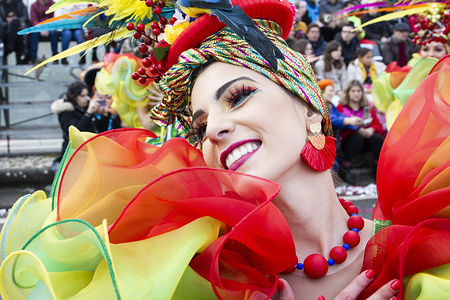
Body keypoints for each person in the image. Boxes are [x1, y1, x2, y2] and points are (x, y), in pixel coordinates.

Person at [1, 0, 450, 299]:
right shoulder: (194, 276)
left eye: (237, 97)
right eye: (198, 126)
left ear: (311, 109)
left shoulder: (430, 248)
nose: (213, 129)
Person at [50, 81, 120, 171]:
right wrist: (88, 113)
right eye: (82, 96)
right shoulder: (66, 112)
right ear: (73, 96)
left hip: (90, 154)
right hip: (74, 156)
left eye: (87, 95)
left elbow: (100, 130)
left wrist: (104, 114)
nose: (86, 98)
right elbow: (77, 132)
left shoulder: (85, 108)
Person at [336, 80, 385, 183]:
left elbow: (378, 125)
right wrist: (359, 130)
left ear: (362, 93)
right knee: (356, 138)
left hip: (366, 141)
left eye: (358, 91)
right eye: (353, 91)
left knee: (376, 138)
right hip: (349, 143)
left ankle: (378, 168)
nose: (356, 93)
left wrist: (371, 129)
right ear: (348, 93)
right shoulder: (340, 108)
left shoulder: (367, 108)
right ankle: (346, 169)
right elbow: (339, 126)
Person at [0, 0, 28, 64]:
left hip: (18, 29)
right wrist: (7, 22)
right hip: (4, 30)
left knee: (15, 25)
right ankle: (18, 57)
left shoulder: (20, 4)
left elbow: (25, 18)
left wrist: (15, 20)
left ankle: (11, 47)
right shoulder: (1, 5)